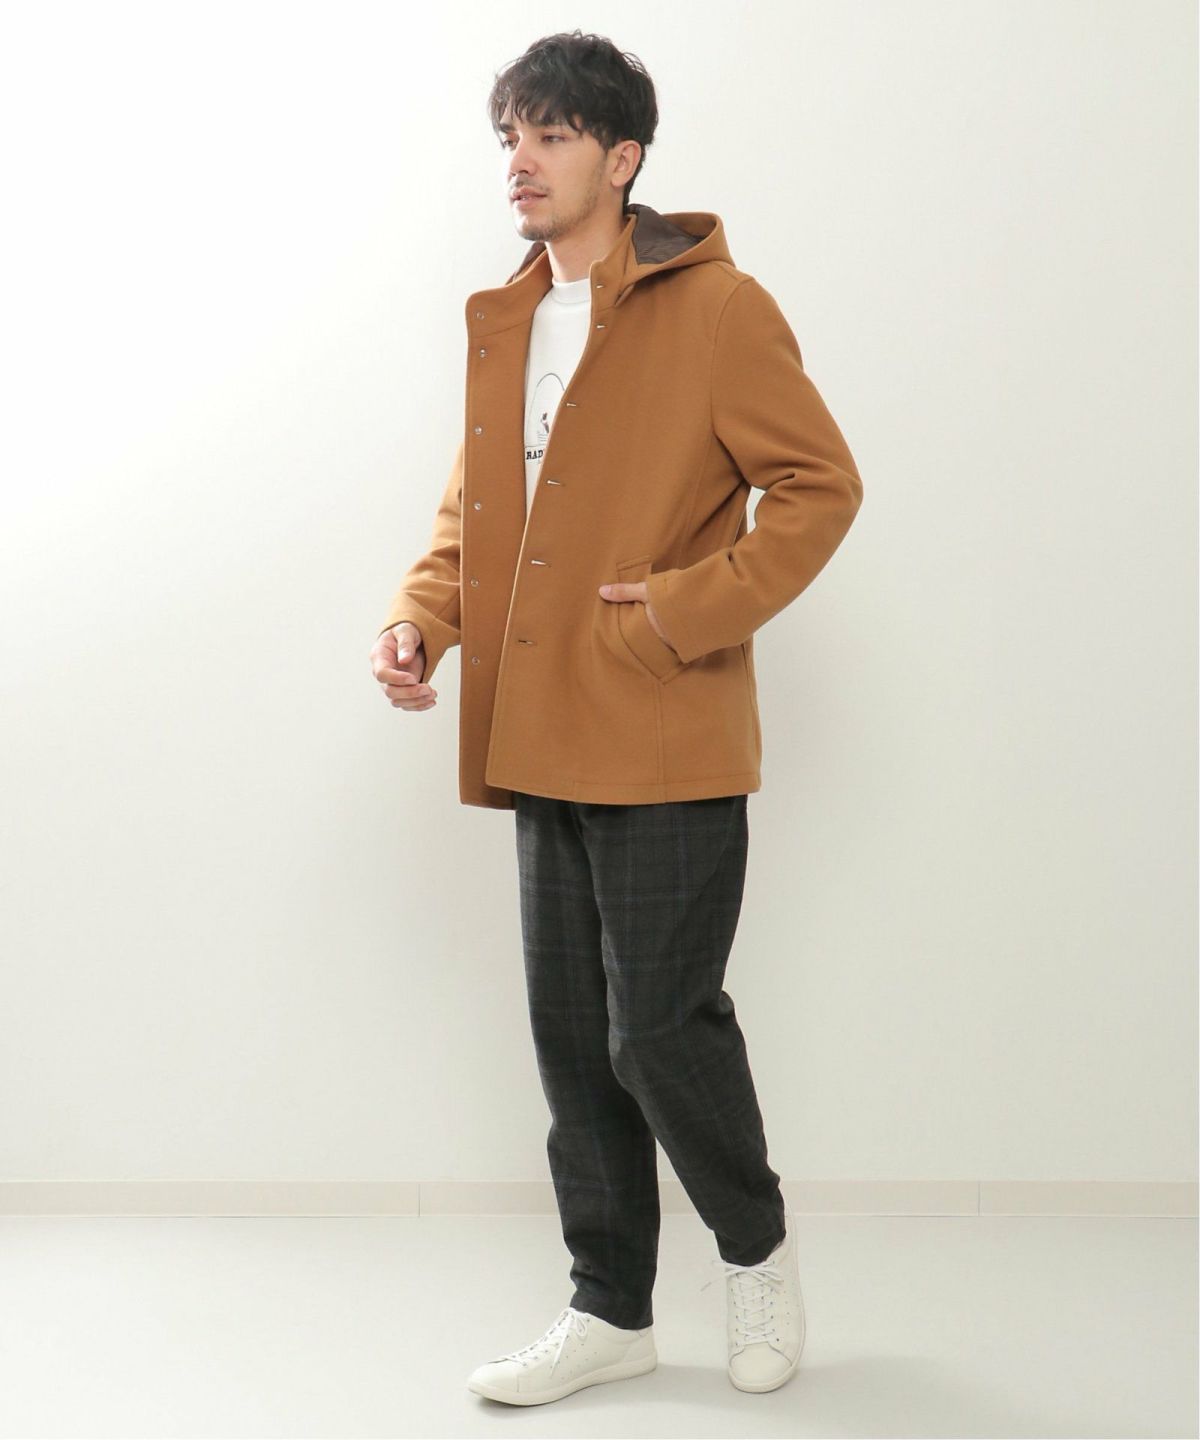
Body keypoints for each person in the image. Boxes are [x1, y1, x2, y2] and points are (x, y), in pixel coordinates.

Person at [370, 28, 863, 1408]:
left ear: (624, 157)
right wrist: (421, 617)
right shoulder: (511, 317)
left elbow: (820, 487)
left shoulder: (719, 310)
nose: (520, 163)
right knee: (573, 1041)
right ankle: (610, 1308)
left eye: (551, 136)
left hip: (659, 723)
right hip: (536, 725)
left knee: (660, 1029)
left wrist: (681, 612)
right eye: (508, 138)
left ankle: (757, 1257)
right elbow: (480, 509)